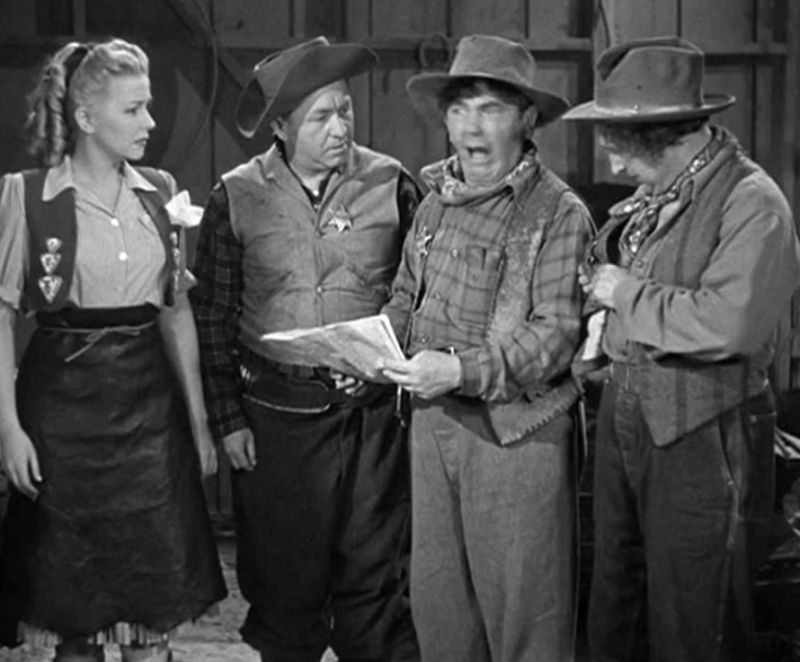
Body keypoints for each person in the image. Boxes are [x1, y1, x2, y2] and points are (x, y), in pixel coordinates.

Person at [562, 36, 800, 662]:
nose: (613, 164)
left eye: (620, 146)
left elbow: (729, 324)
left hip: (702, 426)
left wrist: (625, 292)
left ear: (662, 135)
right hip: (629, 411)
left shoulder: (752, 203)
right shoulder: (658, 196)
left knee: (697, 613)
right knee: (616, 596)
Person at [190, 36, 421, 662]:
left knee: (375, 581)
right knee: (284, 587)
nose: (340, 127)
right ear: (282, 127)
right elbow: (212, 315)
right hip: (275, 421)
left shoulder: (392, 185)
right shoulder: (237, 195)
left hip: (371, 424)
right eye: (321, 117)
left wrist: (382, 370)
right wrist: (227, 419)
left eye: (345, 110)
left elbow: (422, 297)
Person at [0, 38, 226, 662]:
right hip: (63, 416)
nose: (150, 122)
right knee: (72, 615)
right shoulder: (29, 195)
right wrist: (8, 429)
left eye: (149, 106)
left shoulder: (159, 191)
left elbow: (175, 311)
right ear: (85, 117)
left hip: (149, 419)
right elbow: (1, 314)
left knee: (151, 612)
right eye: (133, 109)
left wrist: (198, 424)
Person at [380, 34, 594, 662]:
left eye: (491, 110)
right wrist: (373, 346)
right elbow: (405, 294)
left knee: (525, 616)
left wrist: (459, 370)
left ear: (526, 120)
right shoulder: (433, 205)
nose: (471, 128)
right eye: (459, 110)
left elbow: (554, 335)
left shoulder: (557, 213)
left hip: (516, 437)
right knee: (442, 611)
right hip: (432, 427)